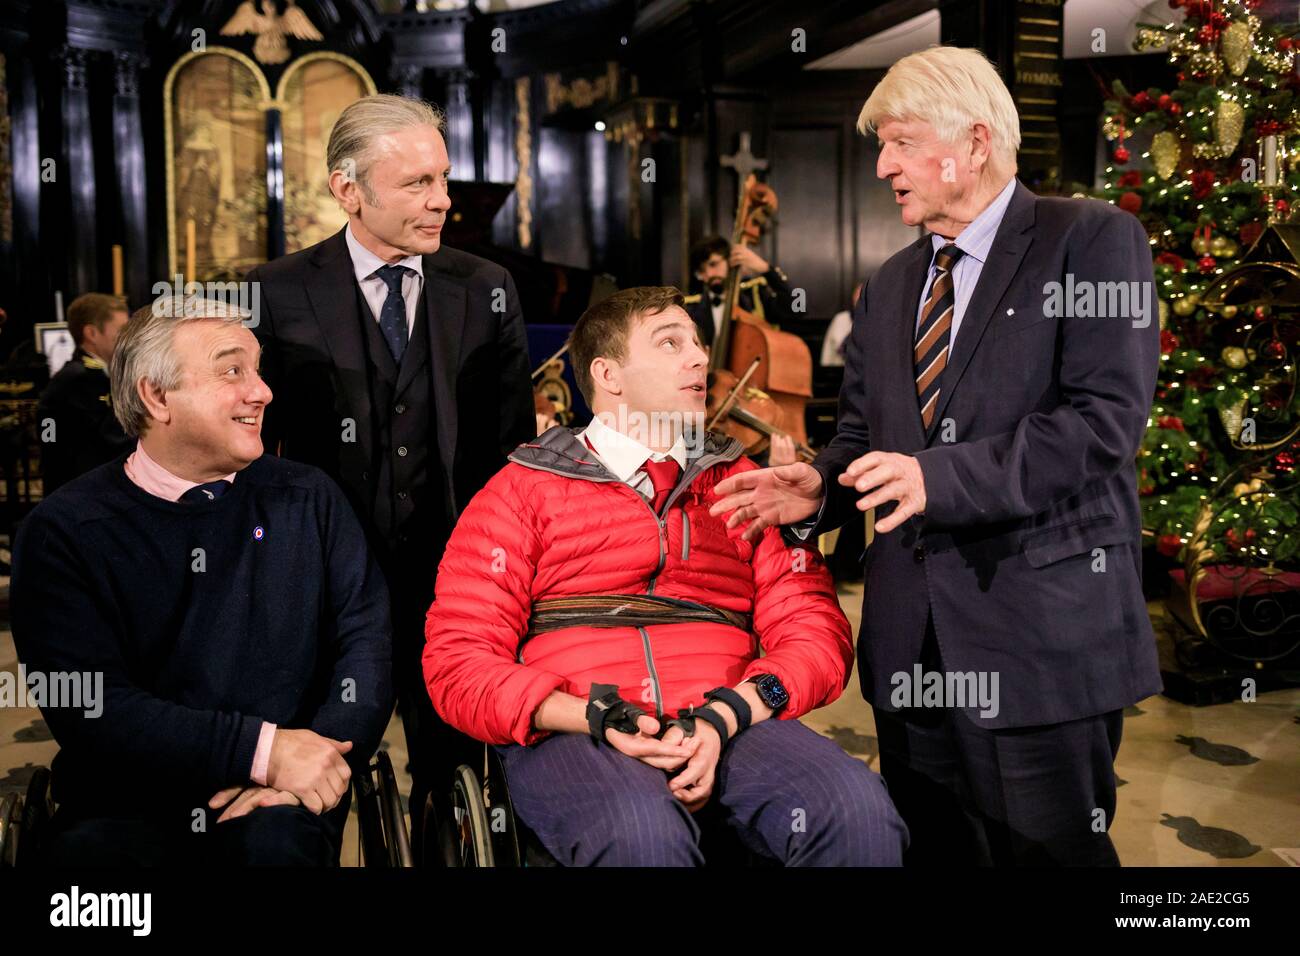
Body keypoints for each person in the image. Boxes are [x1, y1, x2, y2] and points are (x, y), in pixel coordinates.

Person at [710, 46, 1161, 866]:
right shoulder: (888, 285)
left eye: (902, 142)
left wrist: (935, 477)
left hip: (1038, 643)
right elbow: (865, 438)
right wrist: (822, 488)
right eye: (881, 145)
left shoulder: (1092, 241)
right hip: (908, 645)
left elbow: (1102, 424)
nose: (883, 165)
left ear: (977, 141)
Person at [423, 286, 907, 867]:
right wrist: (592, 716)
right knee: (641, 837)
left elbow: (814, 630)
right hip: (577, 729)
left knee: (856, 810)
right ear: (609, 375)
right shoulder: (521, 490)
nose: (701, 358)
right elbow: (459, 660)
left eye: (698, 342)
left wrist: (728, 714)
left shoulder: (746, 483)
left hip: (730, 718)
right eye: (671, 343)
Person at [246, 94, 534, 850]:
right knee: (321, 777)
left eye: (442, 178)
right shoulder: (274, 292)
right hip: (327, 592)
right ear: (348, 189)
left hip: (457, 585)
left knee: (456, 777)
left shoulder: (485, 287)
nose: (442, 200)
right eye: (416, 184)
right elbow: (250, 458)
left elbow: (511, 449)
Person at [10, 296, 393, 866]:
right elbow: (92, 704)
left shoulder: (309, 499)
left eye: (257, 369)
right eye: (231, 370)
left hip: (280, 799)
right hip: (123, 801)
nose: (261, 391)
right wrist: (263, 751)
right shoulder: (66, 530)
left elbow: (367, 648)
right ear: (156, 396)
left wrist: (311, 766)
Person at [37, 293, 133, 493]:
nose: (128, 339)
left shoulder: (86, 374)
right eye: (122, 331)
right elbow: (117, 440)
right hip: (83, 492)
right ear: (92, 333)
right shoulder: (82, 379)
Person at [683, 234, 796, 350]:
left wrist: (765, 269)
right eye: (701, 271)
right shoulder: (691, 308)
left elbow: (799, 308)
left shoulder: (754, 293)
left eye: (713, 264)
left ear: (730, 261)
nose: (709, 274)